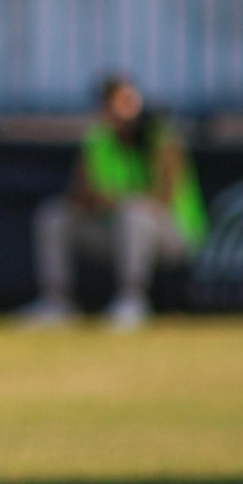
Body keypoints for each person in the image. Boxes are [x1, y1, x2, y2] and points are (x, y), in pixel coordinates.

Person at [20, 76, 206, 330]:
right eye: (116, 105)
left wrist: (114, 200)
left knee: (134, 212)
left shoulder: (161, 137)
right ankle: (57, 303)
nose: (124, 111)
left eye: (130, 102)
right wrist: (110, 201)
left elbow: (162, 196)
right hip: (113, 230)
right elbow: (79, 195)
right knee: (54, 215)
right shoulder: (98, 140)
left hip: (172, 236)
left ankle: (132, 301)